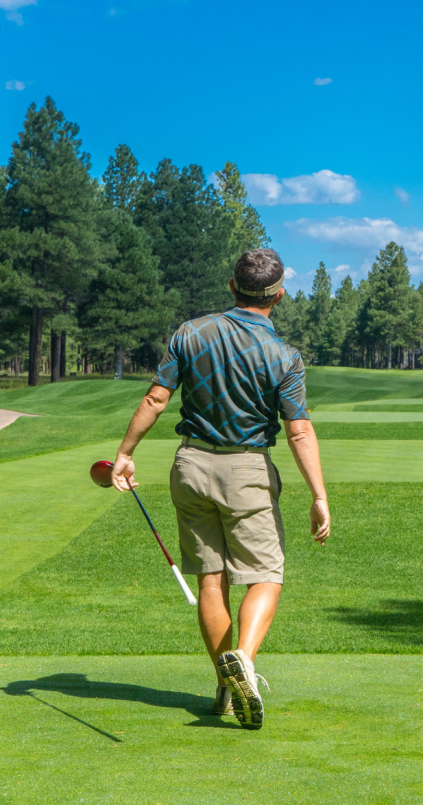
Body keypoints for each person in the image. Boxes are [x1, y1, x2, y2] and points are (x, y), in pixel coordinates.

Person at [111, 248, 330, 730]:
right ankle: (244, 663)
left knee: (212, 579)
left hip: (190, 465)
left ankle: (226, 685)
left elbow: (156, 397)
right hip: (246, 469)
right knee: (265, 575)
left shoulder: (190, 332)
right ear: (280, 293)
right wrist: (318, 495)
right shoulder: (285, 356)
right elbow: (297, 431)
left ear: (232, 286)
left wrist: (125, 452)